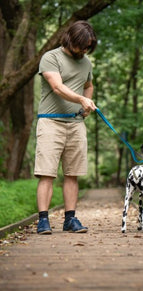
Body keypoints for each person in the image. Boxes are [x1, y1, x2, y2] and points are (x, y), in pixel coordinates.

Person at [34, 21, 97, 234]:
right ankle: (43, 220)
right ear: (71, 40)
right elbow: (57, 87)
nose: (85, 50)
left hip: (76, 124)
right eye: (82, 45)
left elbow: (89, 85)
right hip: (50, 122)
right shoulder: (51, 57)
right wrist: (81, 99)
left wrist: (86, 105)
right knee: (47, 173)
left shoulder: (86, 62)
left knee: (73, 174)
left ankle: (70, 219)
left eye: (88, 46)